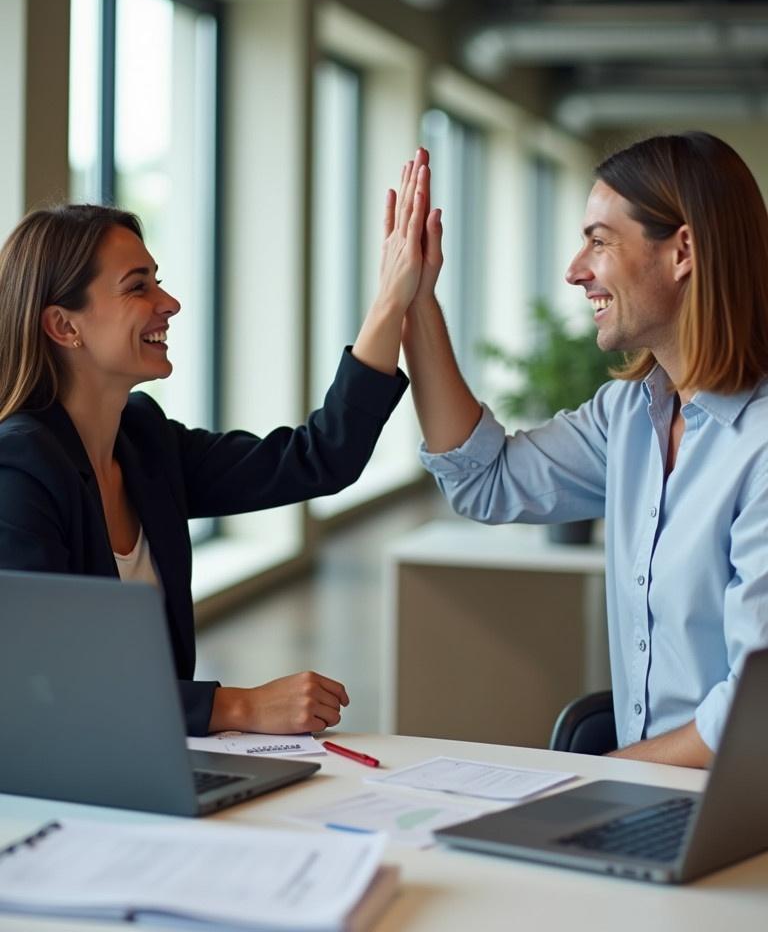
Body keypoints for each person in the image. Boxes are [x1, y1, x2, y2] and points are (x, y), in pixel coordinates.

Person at [0, 157, 431, 737]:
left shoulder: (143, 439)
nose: (169, 302)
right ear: (63, 326)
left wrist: (391, 301)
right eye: (138, 287)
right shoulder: (17, 472)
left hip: (149, 758)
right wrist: (240, 707)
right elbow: (46, 684)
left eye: (157, 279)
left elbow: (318, 458)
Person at [401, 134, 768, 768]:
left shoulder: (758, 446)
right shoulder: (630, 416)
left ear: (683, 250)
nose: (575, 269)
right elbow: (485, 479)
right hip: (649, 799)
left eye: (600, 241)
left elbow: (752, 712)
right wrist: (418, 299)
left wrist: (589, 784)